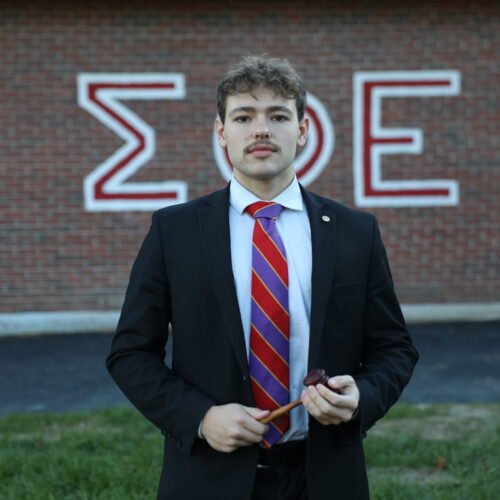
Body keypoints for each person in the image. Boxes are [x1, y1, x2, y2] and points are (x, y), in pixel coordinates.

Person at [107, 55, 418, 500]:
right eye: (243, 117)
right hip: (209, 475)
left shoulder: (355, 231)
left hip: (326, 473)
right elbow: (130, 353)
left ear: (303, 130)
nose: (261, 130)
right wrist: (200, 417)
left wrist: (362, 398)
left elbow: (394, 348)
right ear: (221, 132)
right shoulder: (174, 231)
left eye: (278, 116)